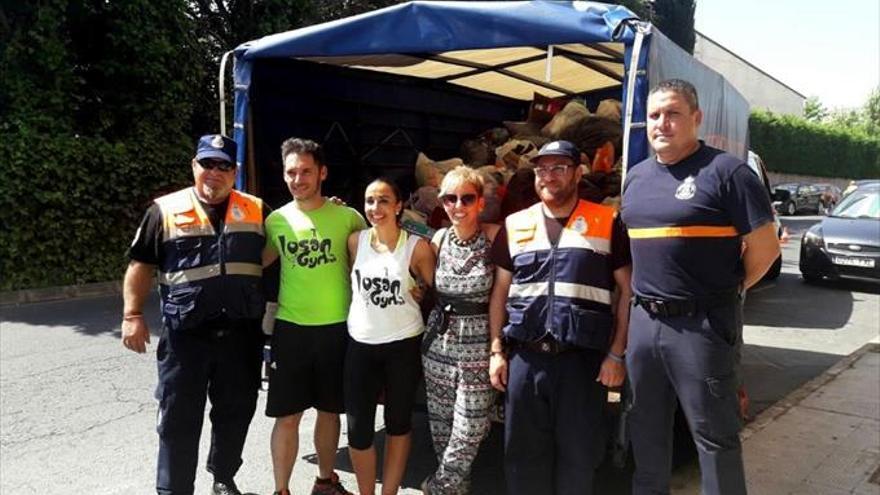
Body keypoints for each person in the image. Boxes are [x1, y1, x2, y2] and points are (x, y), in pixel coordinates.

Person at [620, 79, 780, 495]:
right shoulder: (635, 178)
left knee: (714, 439)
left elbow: (765, 249)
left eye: (673, 113)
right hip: (644, 322)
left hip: (702, 325)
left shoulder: (728, 173)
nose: (662, 123)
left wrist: (727, 291)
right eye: (654, 115)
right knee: (646, 433)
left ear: (696, 118)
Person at [121, 134, 268, 495]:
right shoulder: (164, 210)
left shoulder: (256, 209)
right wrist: (132, 314)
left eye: (223, 166)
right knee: (177, 418)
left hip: (240, 334)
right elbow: (141, 264)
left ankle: (223, 476)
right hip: (186, 337)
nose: (213, 173)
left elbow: (280, 249)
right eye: (207, 164)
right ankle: (174, 490)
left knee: (236, 412)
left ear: (234, 172)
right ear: (194, 166)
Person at [488, 140, 633, 495]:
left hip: (581, 363)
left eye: (558, 168)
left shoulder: (607, 221)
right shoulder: (516, 224)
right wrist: (496, 352)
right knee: (523, 459)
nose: (548, 176)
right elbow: (499, 294)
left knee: (579, 459)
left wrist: (616, 354)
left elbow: (628, 292)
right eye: (541, 169)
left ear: (578, 173)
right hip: (525, 358)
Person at [262, 138, 365, 495]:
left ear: (322, 172)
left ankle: (325, 480)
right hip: (291, 330)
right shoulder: (275, 221)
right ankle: (281, 490)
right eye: (291, 172)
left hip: (337, 328)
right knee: (287, 416)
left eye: (306, 170)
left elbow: (374, 264)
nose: (298, 178)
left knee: (329, 411)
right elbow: (254, 264)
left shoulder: (350, 218)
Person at [344, 177, 435, 495]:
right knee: (357, 431)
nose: (375, 208)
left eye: (383, 200)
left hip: (403, 346)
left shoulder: (417, 247)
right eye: (370, 200)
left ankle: (389, 492)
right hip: (361, 345)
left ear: (399, 206)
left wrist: (421, 290)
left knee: (398, 424)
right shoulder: (355, 242)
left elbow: (433, 290)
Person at [420, 167, 500, 495]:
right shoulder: (437, 239)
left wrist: (498, 347)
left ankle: (440, 486)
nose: (458, 205)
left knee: (470, 425)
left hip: (479, 340)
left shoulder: (494, 236)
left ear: (480, 202)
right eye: (450, 198)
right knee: (441, 423)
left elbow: (503, 296)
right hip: (439, 338)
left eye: (467, 197)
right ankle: (457, 487)